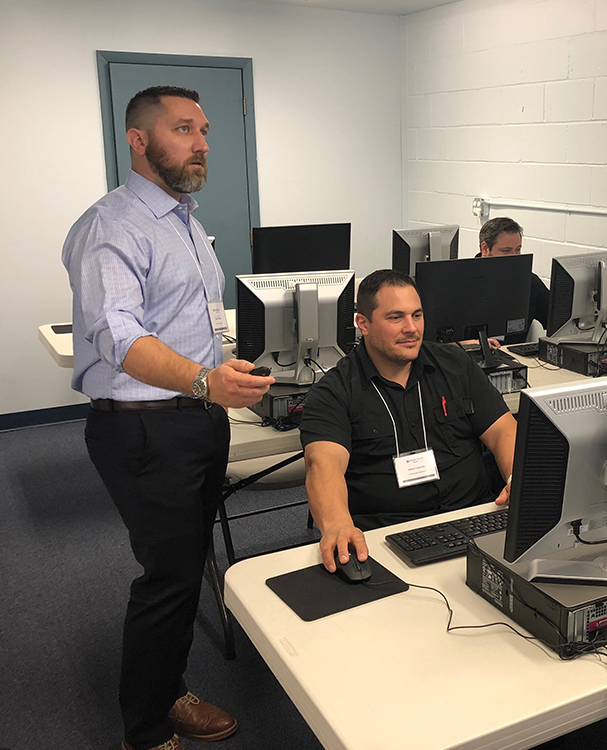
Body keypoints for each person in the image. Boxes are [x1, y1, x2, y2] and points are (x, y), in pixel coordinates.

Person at [62, 86, 274, 750]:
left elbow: (191, 321)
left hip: (194, 417)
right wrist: (204, 379)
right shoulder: (114, 226)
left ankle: (168, 687)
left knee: (184, 568)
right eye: (183, 129)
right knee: (169, 579)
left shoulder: (183, 220)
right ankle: (147, 728)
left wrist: (215, 376)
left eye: (204, 129)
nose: (202, 142)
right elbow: (118, 337)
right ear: (139, 140)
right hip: (145, 428)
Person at [299, 269, 518, 571]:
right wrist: (337, 524)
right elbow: (323, 463)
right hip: (388, 537)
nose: (411, 328)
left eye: (417, 315)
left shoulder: (454, 365)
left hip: (475, 519)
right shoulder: (335, 391)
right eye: (396, 317)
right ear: (363, 323)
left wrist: (515, 478)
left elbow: (503, 429)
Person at [477, 216, 549, 342]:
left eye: (518, 250)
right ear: (485, 249)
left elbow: (556, 320)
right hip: (467, 357)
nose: (514, 257)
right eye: (506, 251)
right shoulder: (464, 282)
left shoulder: (529, 282)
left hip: (512, 357)